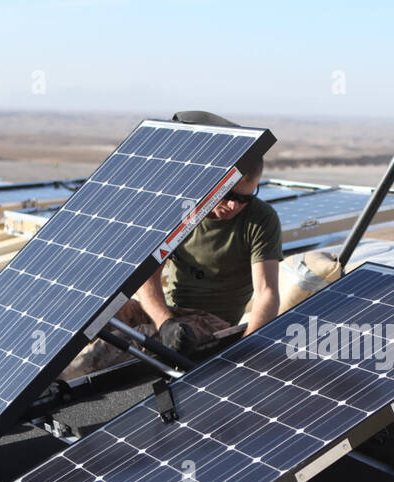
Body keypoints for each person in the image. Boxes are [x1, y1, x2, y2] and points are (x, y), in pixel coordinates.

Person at [61, 111, 282, 379]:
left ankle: (61, 385)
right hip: (172, 311)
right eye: (230, 195)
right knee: (95, 314)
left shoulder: (261, 219)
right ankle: (44, 375)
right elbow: (147, 276)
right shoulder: (184, 211)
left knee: (126, 342)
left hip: (211, 322)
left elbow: (267, 292)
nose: (234, 206)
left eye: (245, 199)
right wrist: (165, 321)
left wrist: (245, 350)